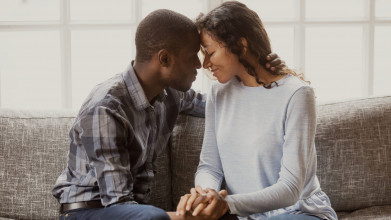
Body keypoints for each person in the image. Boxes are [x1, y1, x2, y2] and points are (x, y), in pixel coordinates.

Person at [52, 8, 284, 220]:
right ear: (164, 59)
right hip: (89, 211)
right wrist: (188, 216)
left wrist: (262, 75)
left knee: (228, 214)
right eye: (193, 55)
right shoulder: (106, 109)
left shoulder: (172, 93)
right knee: (156, 218)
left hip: (136, 211)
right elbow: (118, 202)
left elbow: (222, 105)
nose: (199, 64)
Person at [176, 2, 338, 220]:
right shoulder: (218, 93)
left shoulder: (297, 94)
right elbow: (210, 166)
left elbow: (291, 189)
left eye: (211, 52)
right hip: (248, 216)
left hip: (298, 212)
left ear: (241, 46)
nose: (205, 63)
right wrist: (206, 196)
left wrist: (226, 204)